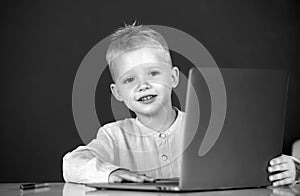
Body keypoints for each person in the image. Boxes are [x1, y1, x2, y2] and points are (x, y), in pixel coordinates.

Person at [63, 23, 299, 186]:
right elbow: (71, 164)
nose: (143, 85)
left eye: (153, 73)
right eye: (129, 79)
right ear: (117, 93)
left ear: (174, 78)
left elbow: (250, 166)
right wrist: (111, 172)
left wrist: (293, 169)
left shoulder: (205, 130)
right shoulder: (113, 136)